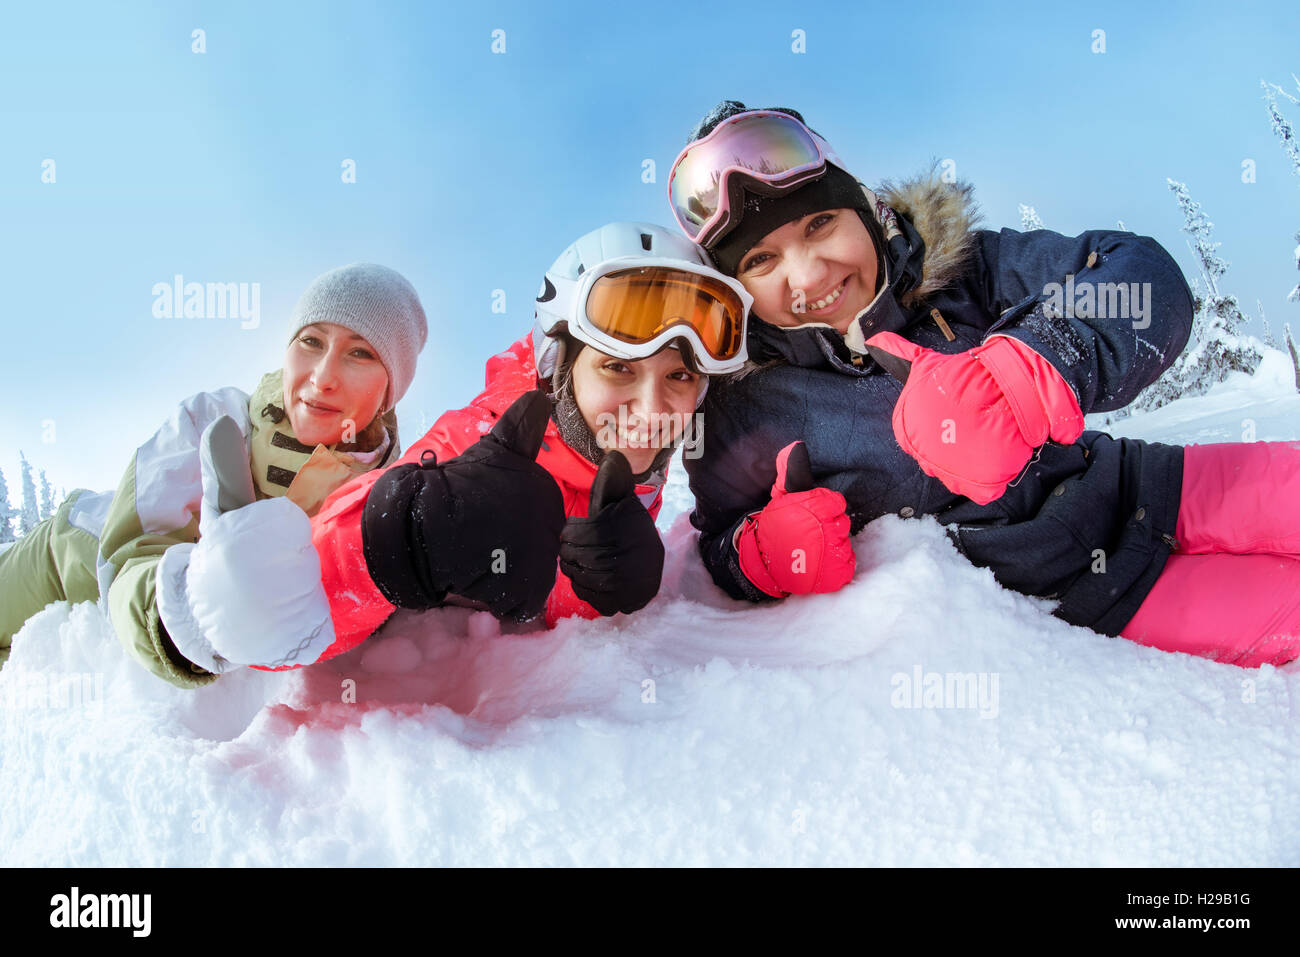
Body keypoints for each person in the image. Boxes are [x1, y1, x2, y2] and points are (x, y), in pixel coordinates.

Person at [668, 100, 1300, 668]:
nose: (808, 274)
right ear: (734, 294)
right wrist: (761, 553)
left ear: (865, 212)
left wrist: (1035, 362)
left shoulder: (964, 272)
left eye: (819, 225)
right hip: (1101, 594)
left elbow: (1141, 275)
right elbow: (719, 539)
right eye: (761, 261)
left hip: (1158, 483)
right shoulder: (744, 407)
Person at [271, 221, 754, 660]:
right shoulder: (480, 443)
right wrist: (395, 541)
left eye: (680, 376)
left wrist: (594, 590)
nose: (652, 411)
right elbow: (275, 620)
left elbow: (544, 605)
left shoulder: (633, 465)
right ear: (558, 368)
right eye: (618, 368)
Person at [0, 262, 428, 687]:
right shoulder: (217, 419)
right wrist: (187, 615)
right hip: (67, 557)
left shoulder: (386, 500)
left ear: (391, 390)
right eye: (311, 341)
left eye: (360, 352)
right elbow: (133, 551)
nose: (321, 377)